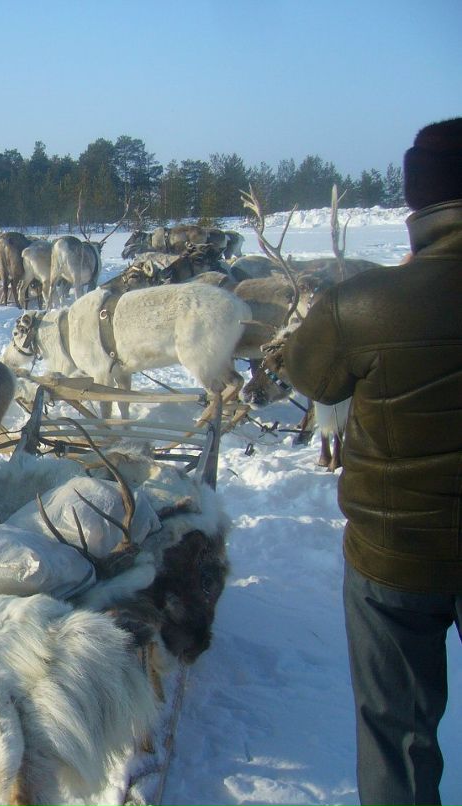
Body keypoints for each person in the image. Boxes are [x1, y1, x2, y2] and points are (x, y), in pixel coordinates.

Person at [281, 118, 462, 806]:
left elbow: (314, 380)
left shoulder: (363, 302)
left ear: (417, 202)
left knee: (396, 730)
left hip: (394, 557)